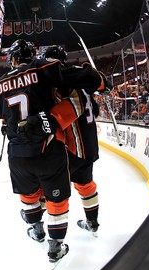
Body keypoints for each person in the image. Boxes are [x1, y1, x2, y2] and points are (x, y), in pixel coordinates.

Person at [0, 39, 108, 265]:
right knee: (57, 198)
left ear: (13, 59)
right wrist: (101, 81)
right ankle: (55, 246)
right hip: (50, 148)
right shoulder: (42, 68)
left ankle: (36, 230)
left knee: (29, 195)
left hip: (17, 154)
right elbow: (78, 77)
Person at [41, 45, 104, 236]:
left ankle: (53, 238)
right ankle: (92, 223)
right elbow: (96, 110)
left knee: (53, 190)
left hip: (73, 148)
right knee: (86, 184)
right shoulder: (82, 79)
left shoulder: (60, 80)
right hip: (90, 147)